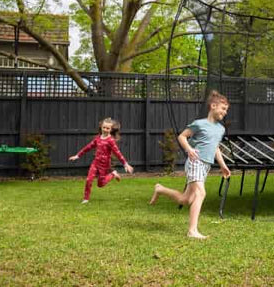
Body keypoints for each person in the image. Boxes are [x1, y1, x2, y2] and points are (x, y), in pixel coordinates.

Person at [149, 90, 231, 239]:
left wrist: (222, 165)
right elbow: (182, 136)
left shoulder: (221, 129)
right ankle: (192, 231)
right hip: (195, 162)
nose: (225, 112)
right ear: (213, 106)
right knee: (201, 193)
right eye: (223, 109)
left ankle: (160, 189)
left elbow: (216, 147)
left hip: (206, 166)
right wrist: (189, 150)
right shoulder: (199, 124)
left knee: (185, 199)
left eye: (226, 110)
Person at [69, 117, 134, 203]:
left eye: (108, 128)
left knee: (101, 184)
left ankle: (112, 174)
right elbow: (88, 147)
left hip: (105, 166)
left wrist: (125, 164)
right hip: (95, 163)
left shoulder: (111, 141)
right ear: (101, 127)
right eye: (104, 127)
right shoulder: (97, 138)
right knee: (88, 180)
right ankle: (86, 199)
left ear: (111, 130)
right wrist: (77, 155)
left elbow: (118, 153)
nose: (105, 129)